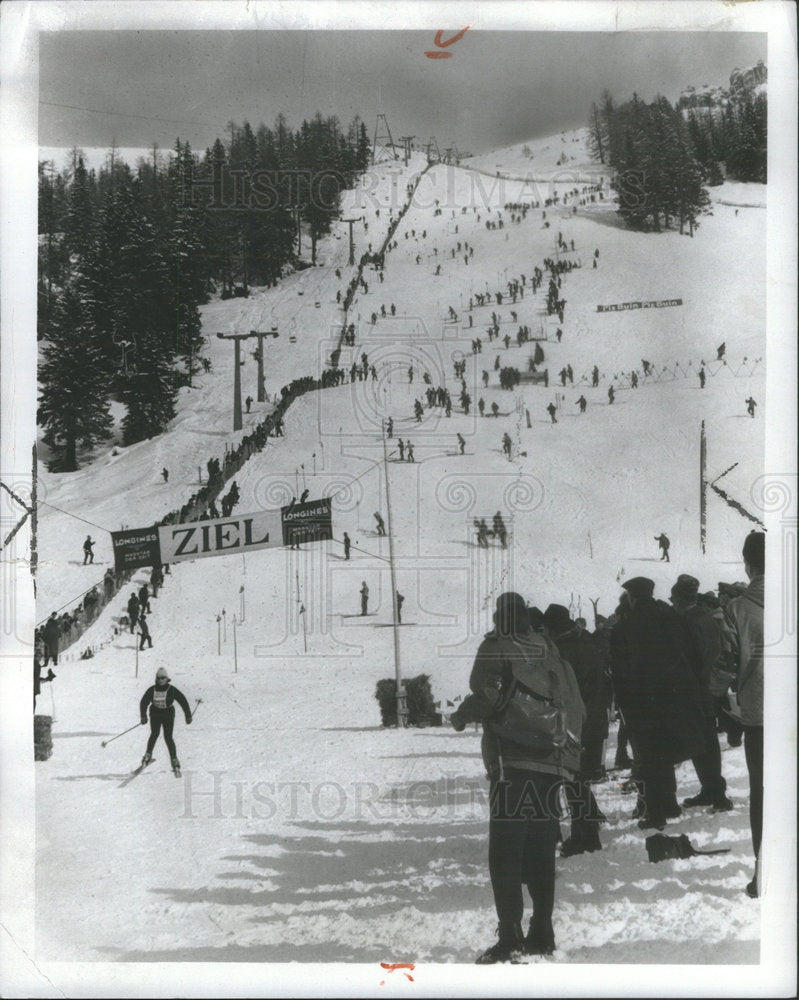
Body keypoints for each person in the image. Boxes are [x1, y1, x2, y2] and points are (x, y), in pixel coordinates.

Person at [450, 593, 584, 963]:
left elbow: (489, 696)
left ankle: (510, 935)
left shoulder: (496, 646)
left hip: (513, 758)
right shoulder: (547, 646)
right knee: (541, 845)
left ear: (498, 618)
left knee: (506, 850)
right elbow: (574, 703)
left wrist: (462, 715)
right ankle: (543, 930)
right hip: (552, 760)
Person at [609, 577, 705, 829]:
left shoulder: (623, 629)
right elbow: (693, 656)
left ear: (631, 597)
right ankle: (670, 804)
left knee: (648, 755)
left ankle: (654, 812)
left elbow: (619, 673)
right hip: (675, 698)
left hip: (641, 703)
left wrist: (623, 704)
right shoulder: (674, 619)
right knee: (665, 750)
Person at [544, 604, 610, 856]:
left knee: (573, 780)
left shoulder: (564, 652)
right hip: (595, 719)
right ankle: (591, 819)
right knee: (578, 778)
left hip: (577, 723)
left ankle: (587, 838)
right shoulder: (587, 639)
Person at [721, 532, 764, 897]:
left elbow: (722, 669)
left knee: (763, 795)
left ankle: (765, 872)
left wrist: (727, 704)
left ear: (748, 565)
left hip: (761, 718)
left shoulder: (735, 609)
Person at [670, 575, 732, 812]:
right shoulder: (705, 618)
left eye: (673, 599)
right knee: (707, 739)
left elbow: (687, 660)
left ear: (678, 598)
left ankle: (717, 794)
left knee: (702, 741)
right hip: (709, 687)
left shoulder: (685, 622)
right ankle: (711, 790)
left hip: (694, 690)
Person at [139, 667, 192, 773]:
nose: (160, 680)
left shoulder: (171, 689)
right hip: (155, 713)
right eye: (158, 678)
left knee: (168, 736)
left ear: (167, 679)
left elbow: (183, 700)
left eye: (163, 678)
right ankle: (148, 754)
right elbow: (143, 702)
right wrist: (143, 716)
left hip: (168, 714)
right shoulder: (152, 689)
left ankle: (174, 759)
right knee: (154, 733)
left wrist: (188, 715)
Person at [34, 642, 55, 711]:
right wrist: (47, 678)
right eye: (39, 656)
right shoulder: (36, 665)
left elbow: (37, 679)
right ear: (35, 656)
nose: (40, 658)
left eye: (41, 656)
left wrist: (47, 678)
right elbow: (35, 678)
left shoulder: (36, 664)